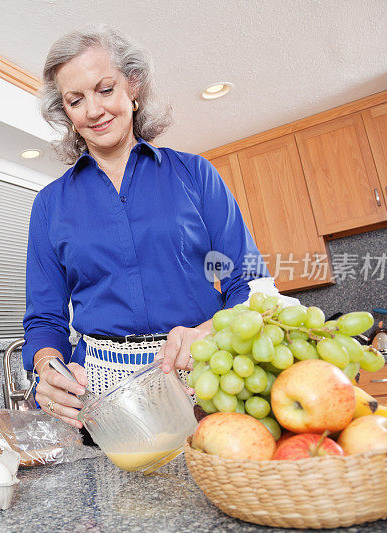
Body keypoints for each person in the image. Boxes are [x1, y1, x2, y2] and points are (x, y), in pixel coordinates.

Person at [23, 26, 291, 429]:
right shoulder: (49, 205)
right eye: (75, 100)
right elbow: (45, 318)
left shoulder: (196, 174)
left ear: (133, 88)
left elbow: (247, 281)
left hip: (201, 377)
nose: (93, 110)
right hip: (101, 398)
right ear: (66, 114)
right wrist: (47, 367)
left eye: (105, 89)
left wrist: (210, 330)